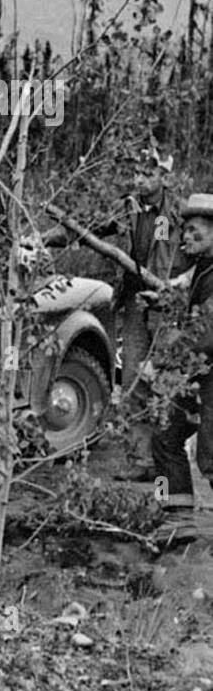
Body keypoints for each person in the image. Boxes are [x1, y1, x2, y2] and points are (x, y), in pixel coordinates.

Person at [42, 145, 185, 407]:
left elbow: (199, 253)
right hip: (134, 299)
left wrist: (180, 287)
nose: (139, 180)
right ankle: (133, 427)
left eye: (148, 174)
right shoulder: (127, 208)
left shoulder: (178, 212)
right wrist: (47, 239)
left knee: (168, 368)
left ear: (164, 177)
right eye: (137, 173)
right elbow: (89, 230)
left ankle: (166, 431)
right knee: (132, 368)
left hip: (165, 305)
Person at [148, 193, 213, 511]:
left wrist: (162, 358)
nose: (185, 236)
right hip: (199, 369)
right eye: (184, 230)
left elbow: (205, 331)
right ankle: (169, 509)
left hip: (206, 368)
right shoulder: (202, 267)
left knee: (211, 456)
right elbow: (182, 286)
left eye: (194, 230)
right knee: (163, 431)